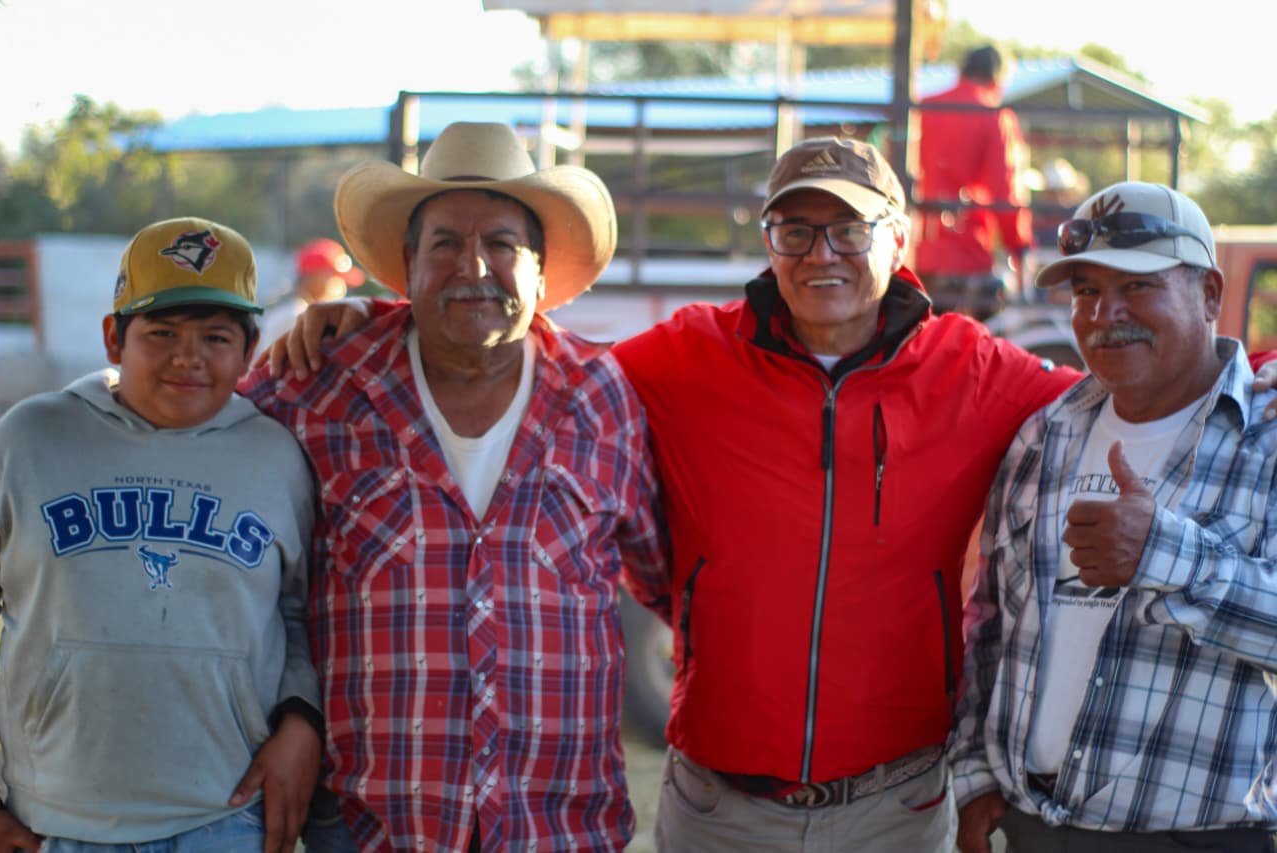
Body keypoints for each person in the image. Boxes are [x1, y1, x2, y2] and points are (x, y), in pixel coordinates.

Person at [271, 138, 1277, 852]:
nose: (820, 253)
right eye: (794, 230)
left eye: (847, 229)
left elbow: (1139, 381)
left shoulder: (985, 373)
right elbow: (527, 353)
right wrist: (371, 317)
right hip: (716, 806)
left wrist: (1253, 375)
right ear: (768, 241)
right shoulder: (680, 357)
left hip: (897, 806)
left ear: (898, 239)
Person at [238, 122, 668, 853]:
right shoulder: (318, 385)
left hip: (558, 830)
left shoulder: (605, 396)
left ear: (540, 270)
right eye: (444, 244)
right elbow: (194, 444)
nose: (473, 265)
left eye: (501, 243)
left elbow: (671, 582)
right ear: (406, 266)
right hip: (372, 826)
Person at [951, 181, 1277, 853]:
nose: (1106, 314)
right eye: (1087, 291)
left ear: (1209, 293)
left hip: (1201, 838)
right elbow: (990, 623)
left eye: (1137, 286)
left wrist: (1164, 555)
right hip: (1030, 827)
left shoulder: (1267, 439)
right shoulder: (1044, 435)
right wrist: (975, 774)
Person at [0, 216, 323, 852]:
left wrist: (301, 717)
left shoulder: (277, 456)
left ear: (250, 350)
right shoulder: (30, 438)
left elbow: (298, 613)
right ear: (113, 338)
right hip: (55, 821)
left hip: (229, 817)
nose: (188, 357)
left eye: (216, 337)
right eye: (162, 332)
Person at [915, 44, 1034, 321]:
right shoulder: (994, 115)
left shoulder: (922, 107)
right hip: (968, 254)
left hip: (918, 253)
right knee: (977, 337)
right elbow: (1006, 189)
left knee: (922, 336)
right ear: (999, 78)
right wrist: (1020, 248)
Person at [257, 237, 365, 351]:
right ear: (314, 278)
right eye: (334, 278)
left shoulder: (294, 308)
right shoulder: (295, 314)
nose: (341, 287)